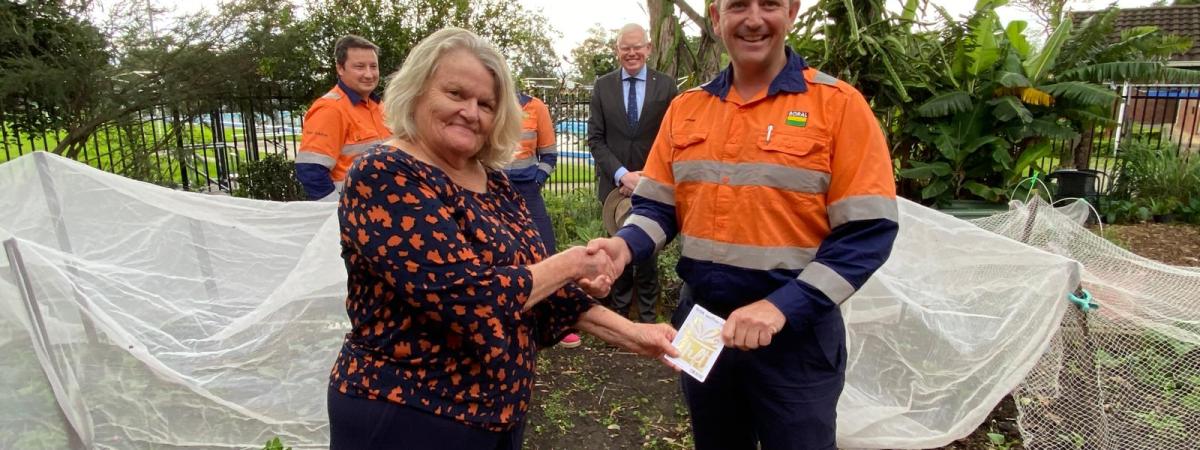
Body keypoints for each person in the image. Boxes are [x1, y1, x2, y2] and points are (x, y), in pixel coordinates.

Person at [327, 27, 678, 450]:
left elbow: (538, 290)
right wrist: (572, 263)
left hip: (495, 416)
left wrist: (632, 334)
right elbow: (469, 298)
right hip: (407, 412)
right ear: (418, 91)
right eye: (456, 94)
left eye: (487, 104)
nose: (471, 112)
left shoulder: (494, 181)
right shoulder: (385, 174)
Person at [588, 0, 900, 448]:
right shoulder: (687, 109)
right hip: (706, 332)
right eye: (738, 6)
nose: (753, 19)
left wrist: (780, 308)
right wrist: (624, 247)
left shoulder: (838, 107)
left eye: (769, 4)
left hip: (797, 340)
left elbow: (868, 232)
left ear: (791, 12)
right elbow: (658, 205)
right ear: (716, 18)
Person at [587, 23, 678, 324]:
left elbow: (672, 139)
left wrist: (645, 178)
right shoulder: (603, 86)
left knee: (648, 252)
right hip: (614, 189)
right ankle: (619, 319)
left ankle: (649, 320)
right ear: (617, 51)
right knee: (617, 251)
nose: (632, 53)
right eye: (625, 47)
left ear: (648, 48)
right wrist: (622, 175)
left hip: (652, 184)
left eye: (637, 46)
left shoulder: (666, 87)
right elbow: (596, 139)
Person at [503, 92, 581, 348]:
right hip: (493, 187)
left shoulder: (536, 107)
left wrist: (536, 182)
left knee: (545, 248)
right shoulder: (489, 102)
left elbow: (548, 155)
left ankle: (557, 322)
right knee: (500, 253)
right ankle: (510, 323)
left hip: (528, 188)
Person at [295, 35, 391, 201]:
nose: (369, 74)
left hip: (382, 209)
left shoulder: (378, 106)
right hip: (354, 214)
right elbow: (311, 171)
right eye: (360, 67)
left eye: (373, 66)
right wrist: (336, 214)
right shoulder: (330, 109)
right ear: (340, 68)